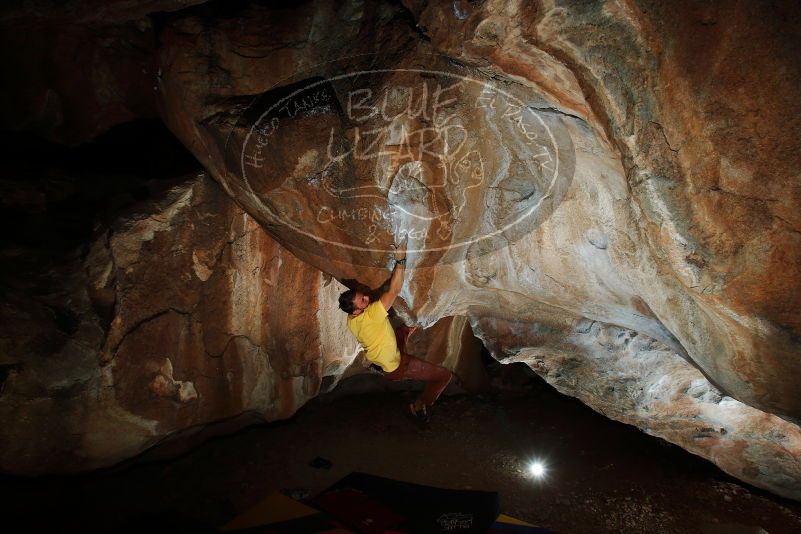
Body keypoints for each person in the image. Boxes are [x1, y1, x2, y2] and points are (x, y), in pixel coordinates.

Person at [338, 238, 452, 427]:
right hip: (397, 367)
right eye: (363, 301)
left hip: (384, 358)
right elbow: (395, 289)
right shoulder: (372, 315)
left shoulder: (352, 319)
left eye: (363, 296)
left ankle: (385, 357)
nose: (367, 298)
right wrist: (400, 260)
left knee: (403, 330)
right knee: (443, 376)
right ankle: (419, 405)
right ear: (357, 310)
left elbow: (371, 312)